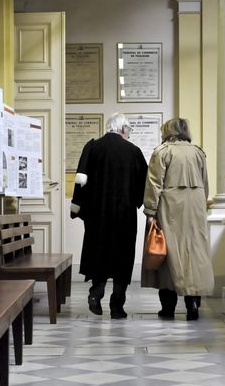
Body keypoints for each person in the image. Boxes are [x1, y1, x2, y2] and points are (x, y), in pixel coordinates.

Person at [70, 113, 148, 319]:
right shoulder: (133, 152)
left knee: (99, 253)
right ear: (122, 128)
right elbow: (144, 184)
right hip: (124, 215)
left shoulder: (92, 147)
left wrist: (79, 210)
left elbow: (80, 181)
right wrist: (136, 203)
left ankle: (96, 293)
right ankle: (117, 306)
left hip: (98, 215)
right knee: (123, 257)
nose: (129, 133)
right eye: (129, 129)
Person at [142, 118, 214, 321]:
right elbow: (205, 183)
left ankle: (168, 308)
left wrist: (150, 210)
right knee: (194, 253)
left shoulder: (162, 151)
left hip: (170, 207)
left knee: (169, 254)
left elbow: (154, 183)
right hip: (195, 208)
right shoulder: (198, 152)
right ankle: (192, 303)